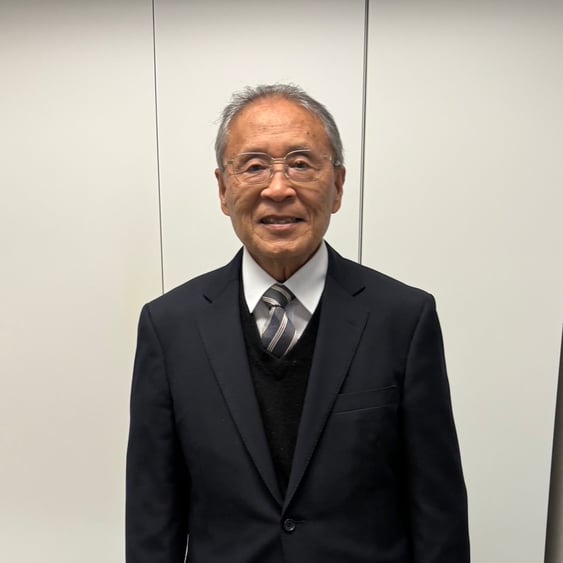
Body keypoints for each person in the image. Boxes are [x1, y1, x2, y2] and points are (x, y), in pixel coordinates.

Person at [126, 83, 470, 563]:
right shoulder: (169, 327)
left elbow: (438, 509)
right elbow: (152, 513)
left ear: (338, 186)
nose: (278, 188)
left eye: (301, 164)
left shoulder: (403, 319)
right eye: (254, 167)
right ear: (224, 190)